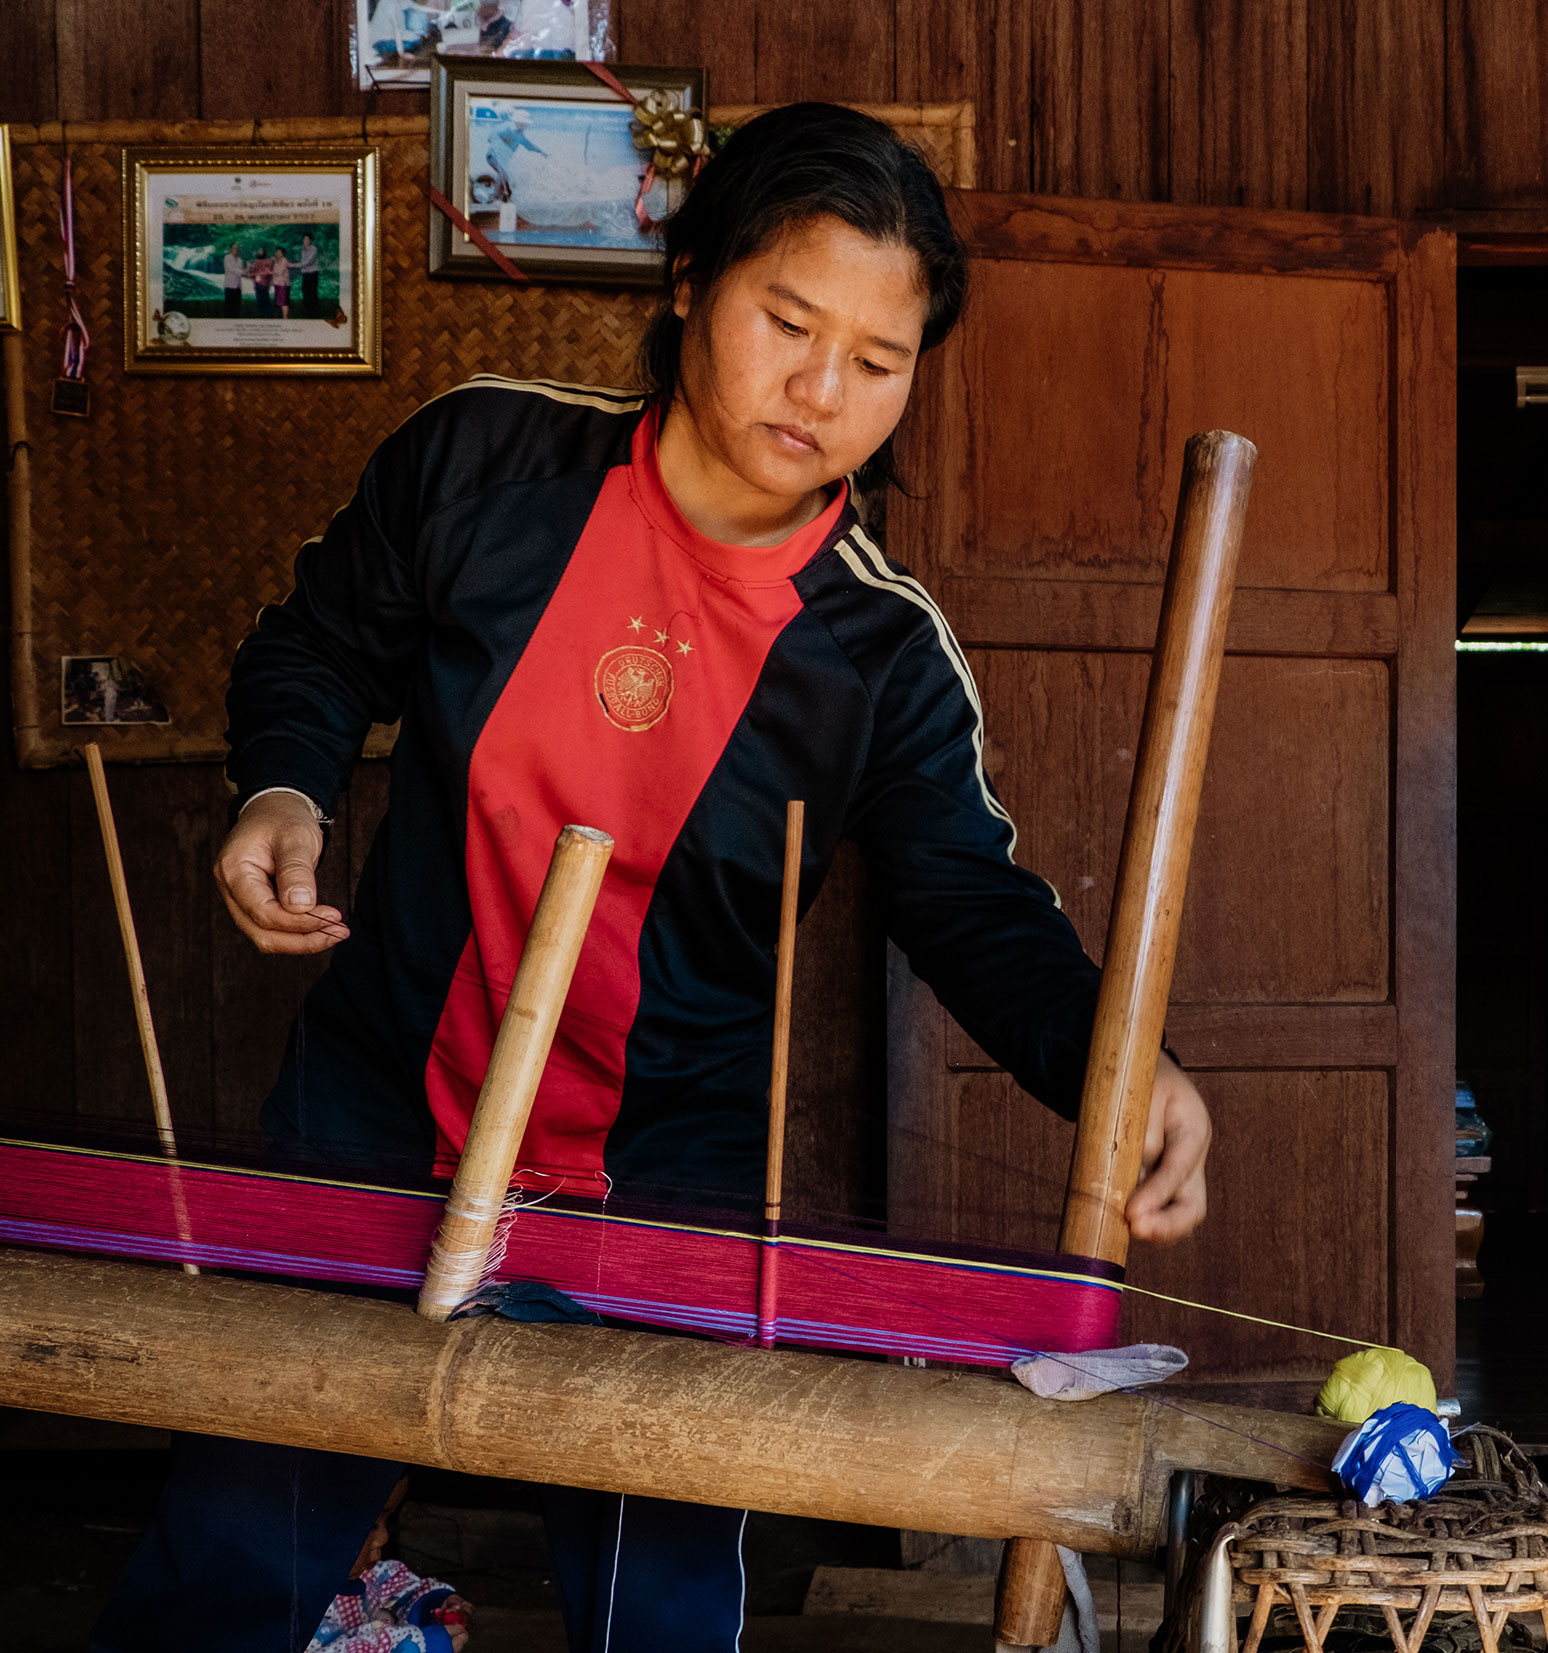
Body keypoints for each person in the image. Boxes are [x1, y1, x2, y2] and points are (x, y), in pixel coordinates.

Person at [91, 102, 1213, 1653]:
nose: (821, 391)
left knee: (658, 1610)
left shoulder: (880, 656)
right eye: (788, 320)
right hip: (365, 1124)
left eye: (878, 363)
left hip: (659, 1184)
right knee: (232, 1561)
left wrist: (1123, 1063)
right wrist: (282, 782)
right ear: (689, 281)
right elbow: (319, 636)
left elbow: (969, 902)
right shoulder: (481, 463)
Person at [296, 231, 321, 318]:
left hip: (313, 273)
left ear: (310, 240)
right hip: (306, 274)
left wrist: (295, 265)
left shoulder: (313, 248)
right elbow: (303, 262)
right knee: (304, 291)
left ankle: (315, 313)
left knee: (312, 293)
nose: (305, 240)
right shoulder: (303, 250)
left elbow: (308, 262)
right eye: (304, 239)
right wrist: (300, 266)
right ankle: (307, 311)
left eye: (307, 239)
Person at [220, 244, 244, 317]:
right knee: (228, 307)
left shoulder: (240, 260)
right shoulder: (227, 258)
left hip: (238, 286)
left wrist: (246, 272)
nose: (236, 250)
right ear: (230, 249)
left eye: (237, 248)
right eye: (234, 248)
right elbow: (230, 269)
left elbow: (240, 272)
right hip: (230, 285)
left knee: (237, 307)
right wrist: (244, 272)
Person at [272, 247, 291, 319]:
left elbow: (280, 272)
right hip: (277, 285)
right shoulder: (276, 261)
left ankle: (285, 318)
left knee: (284, 302)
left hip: (283, 285)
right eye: (277, 252)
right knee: (279, 303)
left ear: (282, 254)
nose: (278, 254)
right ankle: (282, 317)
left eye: (280, 252)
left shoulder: (284, 260)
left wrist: (270, 272)